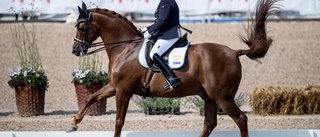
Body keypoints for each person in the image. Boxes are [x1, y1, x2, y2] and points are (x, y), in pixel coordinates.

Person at [141, 0, 181, 91]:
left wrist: (150, 32)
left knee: (154, 53)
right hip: (165, 33)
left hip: (169, 35)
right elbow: (159, 21)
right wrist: (146, 29)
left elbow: (162, 21)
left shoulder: (166, 2)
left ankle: (172, 78)